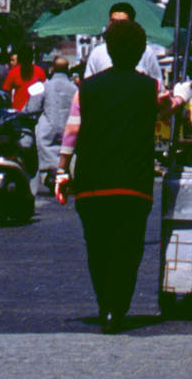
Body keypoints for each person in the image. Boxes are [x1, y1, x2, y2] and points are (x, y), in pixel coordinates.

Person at [63, 17, 158, 331]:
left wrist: (61, 169)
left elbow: (71, 132)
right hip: (134, 182)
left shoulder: (86, 89)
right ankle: (117, 309)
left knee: (98, 246)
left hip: (93, 181)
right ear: (140, 51)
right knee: (128, 249)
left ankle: (105, 304)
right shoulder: (148, 88)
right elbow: (165, 109)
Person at [36, 59, 78, 188]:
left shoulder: (44, 86)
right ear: (68, 70)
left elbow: (33, 107)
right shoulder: (74, 88)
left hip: (47, 129)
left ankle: (50, 173)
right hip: (69, 128)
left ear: (52, 69)